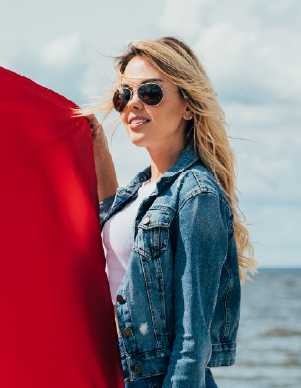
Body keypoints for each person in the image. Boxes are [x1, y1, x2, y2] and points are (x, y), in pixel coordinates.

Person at [84, 37, 255, 387]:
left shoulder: (197, 194)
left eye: (150, 92)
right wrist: (100, 153)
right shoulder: (138, 191)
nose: (133, 104)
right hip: (119, 374)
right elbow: (112, 235)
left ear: (188, 105)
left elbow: (192, 339)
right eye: (124, 94)